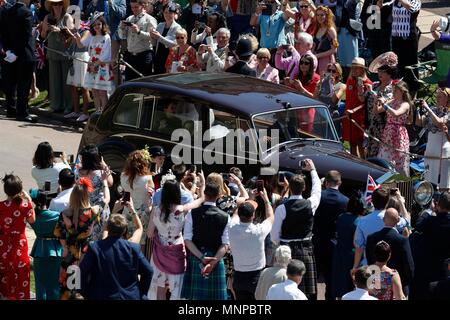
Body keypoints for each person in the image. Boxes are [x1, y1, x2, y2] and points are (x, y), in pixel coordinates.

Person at [148, 176, 205, 300]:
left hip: (159, 249)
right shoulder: (181, 209)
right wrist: (202, 184)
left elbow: (149, 233)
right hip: (177, 247)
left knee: (160, 287)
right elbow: (200, 200)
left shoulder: (156, 210)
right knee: (177, 288)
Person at [271, 158, 321, 300]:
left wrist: (281, 244)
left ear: (289, 188)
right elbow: (317, 189)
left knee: (285, 287)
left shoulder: (281, 208)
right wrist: (313, 170)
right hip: (306, 250)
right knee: (308, 293)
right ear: (304, 188)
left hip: (286, 250)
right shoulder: (310, 204)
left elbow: (274, 236)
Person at [79, 214, 153, 299]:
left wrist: (85, 293)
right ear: (124, 230)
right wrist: (141, 293)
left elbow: (81, 272)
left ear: (107, 228)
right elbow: (148, 271)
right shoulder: (133, 248)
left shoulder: (95, 248)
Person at [181, 181, 231, 300]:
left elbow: (187, 239)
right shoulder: (226, 217)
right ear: (219, 195)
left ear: (204, 193)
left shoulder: (192, 214)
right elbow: (225, 244)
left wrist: (202, 258)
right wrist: (212, 263)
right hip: (216, 259)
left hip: (196, 258)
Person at [53, 178, 100, 299]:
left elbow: (58, 233)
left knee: (69, 289)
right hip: (87, 253)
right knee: (85, 286)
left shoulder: (65, 213)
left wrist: (64, 246)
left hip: (70, 254)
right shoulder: (94, 212)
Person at [229, 191, 274, 300]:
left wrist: (248, 199)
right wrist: (266, 200)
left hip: (239, 276)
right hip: (257, 277)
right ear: (253, 215)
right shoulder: (259, 231)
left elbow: (235, 214)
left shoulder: (231, 227)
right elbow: (271, 217)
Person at [312, 170, 349, 300]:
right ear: (339, 182)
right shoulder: (345, 201)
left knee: (313, 276)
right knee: (330, 277)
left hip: (316, 241)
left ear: (326, 182)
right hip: (333, 243)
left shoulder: (318, 196)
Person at [0, 0, 38, 122]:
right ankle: (22, 112)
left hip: (11, 54)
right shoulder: (26, 12)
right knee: (23, 85)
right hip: (24, 54)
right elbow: (26, 35)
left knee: (11, 84)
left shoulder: (6, 11)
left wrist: (9, 50)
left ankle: (11, 110)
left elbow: (3, 34)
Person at [0, 174, 36, 300]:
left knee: (5, 272)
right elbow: (32, 220)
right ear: (20, 190)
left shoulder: (1, 206)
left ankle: (6, 295)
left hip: (3, 243)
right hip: (19, 243)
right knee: (21, 272)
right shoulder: (25, 206)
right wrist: (29, 200)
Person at [366, 208, 414, 296]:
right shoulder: (402, 240)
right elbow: (409, 268)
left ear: (384, 219)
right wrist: (399, 284)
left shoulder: (371, 238)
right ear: (398, 220)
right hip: (398, 289)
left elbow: (370, 262)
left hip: (376, 288)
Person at [411, 191, 450, 300]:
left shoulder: (429, 221)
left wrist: (431, 211)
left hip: (425, 268)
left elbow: (417, 228)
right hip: (443, 269)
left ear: (438, 204)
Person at [74, 13, 114, 113]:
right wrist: (78, 38)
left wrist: (96, 64)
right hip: (92, 66)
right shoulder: (91, 36)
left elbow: (106, 53)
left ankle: (104, 113)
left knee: (102, 91)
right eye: (94, 25)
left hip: (102, 67)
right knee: (95, 91)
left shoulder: (106, 37)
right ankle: (97, 111)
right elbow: (80, 45)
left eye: (99, 24)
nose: (96, 26)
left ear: (103, 25)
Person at [40, 0, 74, 115]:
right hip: (52, 52)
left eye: (59, 4)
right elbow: (43, 36)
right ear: (51, 6)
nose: (57, 6)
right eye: (55, 4)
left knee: (66, 82)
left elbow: (72, 36)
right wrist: (45, 29)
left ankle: (68, 106)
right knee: (54, 80)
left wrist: (60, 30)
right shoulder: (47, 17)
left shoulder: (67, 17)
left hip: (65, 53)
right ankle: (55, 105)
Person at [29, 189, 63, 300]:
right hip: (55, 249)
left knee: (40, 284)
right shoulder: (56, 215)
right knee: (54, 283)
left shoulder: (33, 217)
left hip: (39, 249)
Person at [331, 192, 365, 299]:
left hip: (339, 253)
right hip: (352, 256)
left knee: (339, 284)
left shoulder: (341, 217)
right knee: (351, 286)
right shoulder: (359, 222)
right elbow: (356, 243)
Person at [85, 0, 127, 86]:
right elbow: (87, 13)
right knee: (96, 60)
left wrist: (111, 3)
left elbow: (122, 14)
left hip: (113, 36)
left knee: (112, 64)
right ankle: (99, 88)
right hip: (98, 36)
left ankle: (115, 91)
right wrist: (94, 3)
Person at [415, 88, 450, 189]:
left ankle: (445, 203)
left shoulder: (448, 112)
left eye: (440, 96)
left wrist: (427, 108)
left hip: (443, 151)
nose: (437, 98)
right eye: (437, 96)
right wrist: (417, 109)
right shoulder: (433, 109)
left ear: (447, 99)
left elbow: (440, 122)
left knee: (444, 183)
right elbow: (419, 122)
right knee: (428, 181)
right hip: (430, 149)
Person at [366, 52, 399, 158]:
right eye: (379, 71)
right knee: (370, 151)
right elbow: (363, 98)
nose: (379, 73)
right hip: (371, 123)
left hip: (383, 126)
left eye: (383, 71)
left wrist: (372, 92)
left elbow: (382, 106)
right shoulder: (375, 85)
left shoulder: (392, 88)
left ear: (389, 73)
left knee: (381, 153)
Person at [376, 81, 411, 176]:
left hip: (398, 134)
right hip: (388, 132)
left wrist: (384, 104)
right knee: (384, 158)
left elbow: (396, 114)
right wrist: (377, 100)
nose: (394, 92)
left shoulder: (405, 104)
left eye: (396, 90)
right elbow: (377, 111)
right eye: (394, 90)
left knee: (398, 161)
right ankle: (384, 182)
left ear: (402, 92)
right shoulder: (392, 101)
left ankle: (400, 184)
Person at [78, 144, 113, 240]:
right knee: (100, 236)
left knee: (86, 236)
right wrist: (103, 162)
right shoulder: (100, 173)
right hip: (100, 208)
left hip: (85, 208)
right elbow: (110, 183)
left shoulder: (78, 172)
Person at [120, 149, 154, 247]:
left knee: (126, 239)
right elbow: (150, 198)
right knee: (140, 242)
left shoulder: (123, 176)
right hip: (142, 213)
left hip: (127, 211)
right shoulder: (148, 179)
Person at [118, 0, 157, 80]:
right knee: (129, 82)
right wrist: (122, 28)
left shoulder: (150, 19)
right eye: (132, 7)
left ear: (142, 6)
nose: (134, 9)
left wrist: (139, 32)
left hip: (143, 56)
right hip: (130, 56)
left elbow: (153, 38)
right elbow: (122, 36)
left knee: (143, 82)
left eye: (136, 7)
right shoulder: (129, 18)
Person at [342, 57, 372, 157]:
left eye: (356, 68)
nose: (353, 70)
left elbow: (367, 103)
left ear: (362, 69)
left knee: (361, 143)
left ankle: (364, 163)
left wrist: (354, 110)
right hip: (349, 115)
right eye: (353, 67)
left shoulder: (367, 83)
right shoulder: (350, 80)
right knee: (352, 143)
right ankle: (354, 162)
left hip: (359, 118)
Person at [352, 188, 389, 270]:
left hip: (368, 266)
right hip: (387, 267)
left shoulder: (362, 221)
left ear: (372, 201)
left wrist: (355, 267)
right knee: (384, 283)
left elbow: (358, 247)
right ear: (387, 202)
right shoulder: (395, 220)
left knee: (371, 283)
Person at [62, 23, 91, 122]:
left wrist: (70, 34)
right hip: (74, 57)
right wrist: (65, 35)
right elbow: (66, 45)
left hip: (83, 57)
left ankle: (86, 113)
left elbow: (81, 43)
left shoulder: (87, 31)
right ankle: (76, 111)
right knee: (73, 86)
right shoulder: (75, 31)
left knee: (84, 87)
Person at [391, 0, 421, 91]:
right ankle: (400, 89)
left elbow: (412, 8)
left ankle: (413, 89)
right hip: (396, 37)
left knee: (411, 64)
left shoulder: (415, 1)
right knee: (399, 64)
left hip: (408, 37)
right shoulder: (395, 2)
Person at [151, 2, 182, 74]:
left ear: (174, 14)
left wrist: (159, 37)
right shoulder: (160, 25)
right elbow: (154, 43)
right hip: (158, 57)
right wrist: (152, 36)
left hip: (170, 58)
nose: (167, 15)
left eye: (170, 12)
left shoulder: (177, 27)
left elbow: (174, 44)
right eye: (165, 12)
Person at [335, 0, 363, 73]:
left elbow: (356, 13)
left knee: (352, 60)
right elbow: (338, 13)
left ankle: (353, 78)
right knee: (341, 59)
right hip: (341, 30)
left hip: (350, 30)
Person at [312, 5, 337, 75]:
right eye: (317, 15)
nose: (319, 17)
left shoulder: (330, 30)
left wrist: (317, 55)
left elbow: (334, 50)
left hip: (326, 61)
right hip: (315, 59)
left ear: (327, 16)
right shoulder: (317, 28)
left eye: (322, 15)